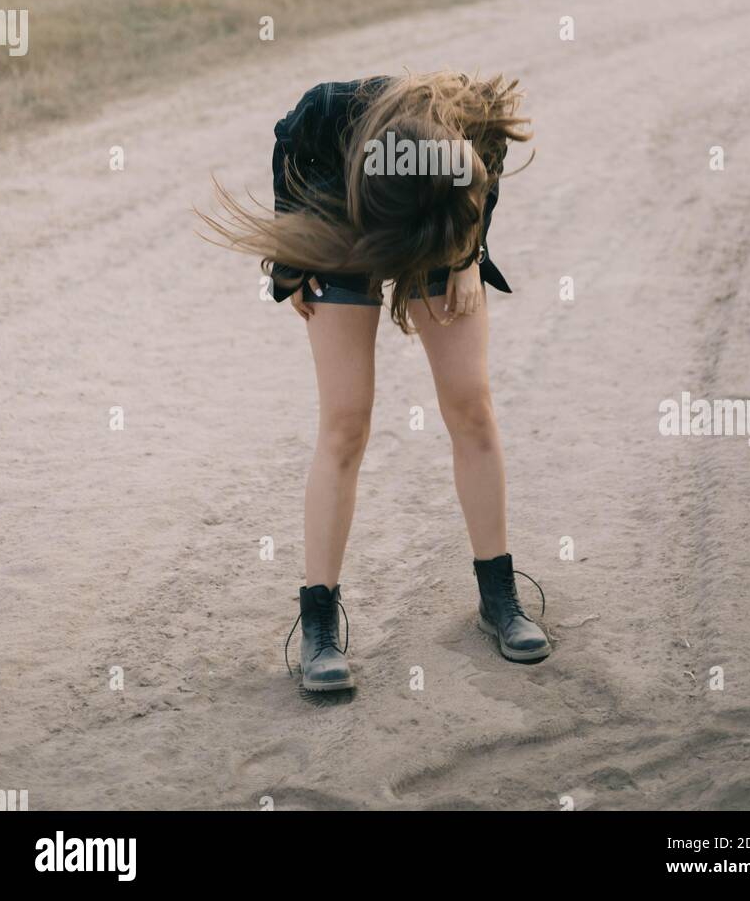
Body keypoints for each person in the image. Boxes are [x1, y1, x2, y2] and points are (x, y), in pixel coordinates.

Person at [204, 71, 550, 691]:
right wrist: (294, 263)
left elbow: (489, 161)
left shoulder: (462, 124)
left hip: (439, 224)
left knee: (471, 405)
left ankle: (499, 597)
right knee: (345, 423)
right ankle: (317, 629)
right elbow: (287, 147)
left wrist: (469, 251)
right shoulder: (327, 112)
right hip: (344, 226)